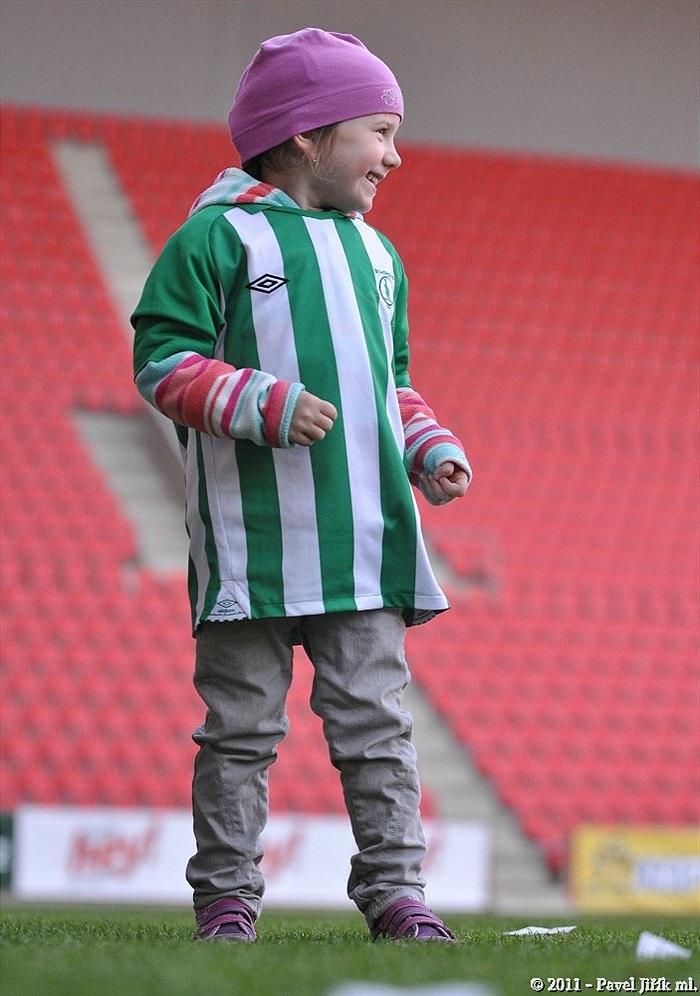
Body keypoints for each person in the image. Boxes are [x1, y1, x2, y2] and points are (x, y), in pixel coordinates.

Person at [131, 27, 472, 943]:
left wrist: (427, 445)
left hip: (362, 545)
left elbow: (387, 382)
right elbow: (161, 361)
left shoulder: (379, 257)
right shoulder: (216, 236)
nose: (395, 155)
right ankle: (228, 899)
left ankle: (399, 895)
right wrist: (266, 403)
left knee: (377, 731)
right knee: (240, 732)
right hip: (251, 553)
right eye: (380, 131)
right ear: (309, 134)